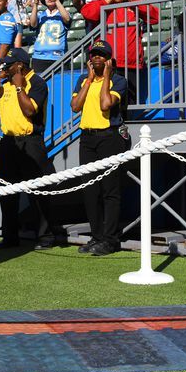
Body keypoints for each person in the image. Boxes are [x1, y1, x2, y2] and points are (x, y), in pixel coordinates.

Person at [0, 48, 55, 249]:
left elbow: (30, 109)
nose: (5, 68)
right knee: (7, 191)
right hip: (9, 142)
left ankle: (45, 236)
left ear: (20, 66)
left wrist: (19, 88)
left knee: (38, 190)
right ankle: (10, 237)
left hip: (31, 141)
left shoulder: (37, 82)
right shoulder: (7, 83)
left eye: (9, 65)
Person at [69, 41, 129, 256]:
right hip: (87, 138)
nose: (96, 58)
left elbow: (105, 104)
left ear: (109, 60)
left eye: (102, 55)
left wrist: (107, 77)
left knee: (109, 191)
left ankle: (111, 240)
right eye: (94, 54)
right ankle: (97, 237)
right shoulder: (83, 80)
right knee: (90, 190)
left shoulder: (119, 81)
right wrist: (89, 80)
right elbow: (75, 107)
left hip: (109, 137)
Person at [26, 0, 70, 73]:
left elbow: (67, 19)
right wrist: (35, 4)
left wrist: (56, 0)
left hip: (58, 57)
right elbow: (33, 24)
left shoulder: (63, 13)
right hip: (39, 57)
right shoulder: (41, 15)